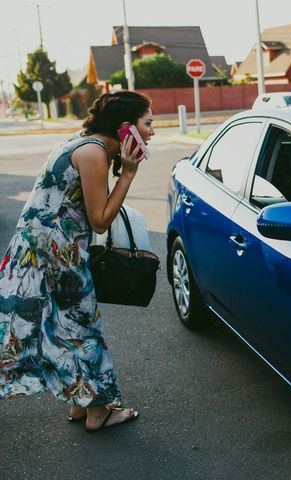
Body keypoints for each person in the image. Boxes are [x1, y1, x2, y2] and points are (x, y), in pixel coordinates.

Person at [0, 91, 154, 432]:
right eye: (149, 123)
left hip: (42, 248)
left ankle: (81, 403)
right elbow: (100, 220)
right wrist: (127, 174)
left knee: (67, 327)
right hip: (58, 253)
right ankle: (99, 410)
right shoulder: (94, 153)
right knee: (84, 326)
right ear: (127, 128)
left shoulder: (84, 143)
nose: (153, 131)